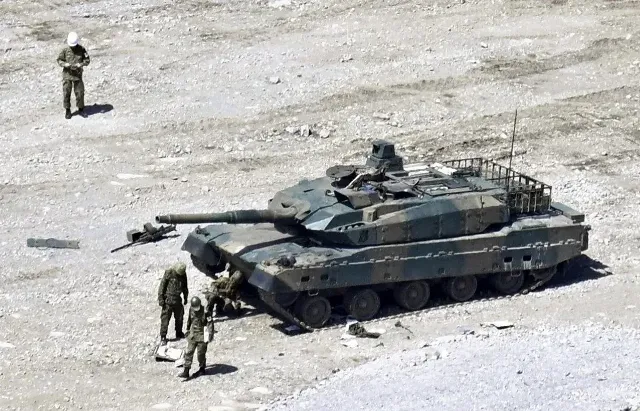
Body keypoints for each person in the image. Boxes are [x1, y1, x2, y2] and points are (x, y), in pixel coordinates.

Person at [56, 32, 90, 119]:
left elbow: (87, 60)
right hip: (67, 74)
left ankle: (81, 109)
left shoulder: (82, 49)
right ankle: (67, 110)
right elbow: (59, 60)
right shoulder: (65, 50)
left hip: (77, 75)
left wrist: (81, 64)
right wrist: (65, 64)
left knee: (80, 93)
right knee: (66, 92)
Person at [178, 296, 213, 379]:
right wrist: (187, 329)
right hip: (193, 334)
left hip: (202, 335)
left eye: (197, 307)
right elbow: (189, 319)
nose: (196, 309)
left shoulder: (206, 312)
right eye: (194, 307)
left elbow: (210, 323)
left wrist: (210, 335)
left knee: (201, 354)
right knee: (189, 352)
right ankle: (186, 371)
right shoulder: (191, 309)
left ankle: (202, 369)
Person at [157, 262, 188, 345]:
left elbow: (185, 287)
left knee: (179, 318)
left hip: (177, 300)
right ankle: (163, 336)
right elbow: (162, 286)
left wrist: (186, 297)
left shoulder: (183, 274)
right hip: (168, 301)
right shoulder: (169, 273)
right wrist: (161, 299)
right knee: (165, 319)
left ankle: (179, 332)